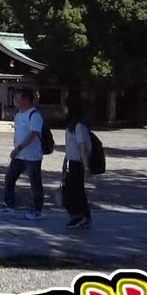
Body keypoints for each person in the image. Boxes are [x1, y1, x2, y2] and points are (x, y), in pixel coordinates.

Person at [0, 88, 45, 220]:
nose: (16, 101)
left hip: (32, 155)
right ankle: (10, 206)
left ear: (26, 100)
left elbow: (33, 134)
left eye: (19, 99)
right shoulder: (19, 115)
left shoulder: (35, 115)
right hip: (19, 155)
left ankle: (37, 210)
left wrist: (19, 147)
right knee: (9, 178)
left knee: (35, 183)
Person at [61, 94, 93, 230]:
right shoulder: (72, 125)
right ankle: (80, 214)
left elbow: (82, 146)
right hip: (72, 161)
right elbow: (71, 146)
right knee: (71, 189)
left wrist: (86, 167)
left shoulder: (79, 126)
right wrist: (65, 160)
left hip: (78, 163)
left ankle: (81, 215)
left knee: (75, 190)